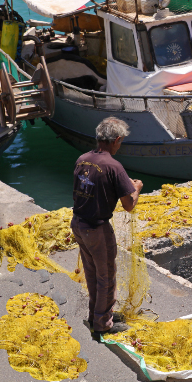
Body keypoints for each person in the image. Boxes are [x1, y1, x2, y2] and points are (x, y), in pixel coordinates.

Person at [71, 117, 143, 337]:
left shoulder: (83, 159)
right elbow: (128, 204)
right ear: (116, 140)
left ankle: (97, 314)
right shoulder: (114, 166)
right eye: (121, 142)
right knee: (107, 276)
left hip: (78, 224)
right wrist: (137, 187)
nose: (120, 146)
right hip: (97, 229)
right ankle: (103, 324)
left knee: (92, 273)